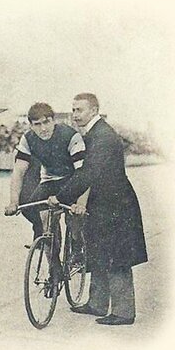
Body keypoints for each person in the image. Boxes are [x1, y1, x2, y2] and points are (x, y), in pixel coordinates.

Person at [49, 93, 148, 326]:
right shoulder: (95, 133)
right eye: (73, 110)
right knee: (100, 252)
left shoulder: (102, 136)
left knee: (117, 256)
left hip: (116, 205)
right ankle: (97, 304)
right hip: (105, 202)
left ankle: (124, 312)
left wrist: (61, 196)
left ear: (93, 110)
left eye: (79, 110)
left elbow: (88, 173)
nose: (74, 115)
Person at [4, 102, 87, 279]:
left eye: (46, 122)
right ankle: (54, 267)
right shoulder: (28, 139)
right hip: (50, 181)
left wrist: (80, 204)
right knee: (38, 217)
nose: (43, 129)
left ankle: (76, 243)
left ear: (53, 121)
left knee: (74, 218)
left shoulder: (70, 136)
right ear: (31, 126)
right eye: (37, 124)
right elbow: (18, 172)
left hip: (73, 180)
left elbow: (83, 174)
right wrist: (13, 201)